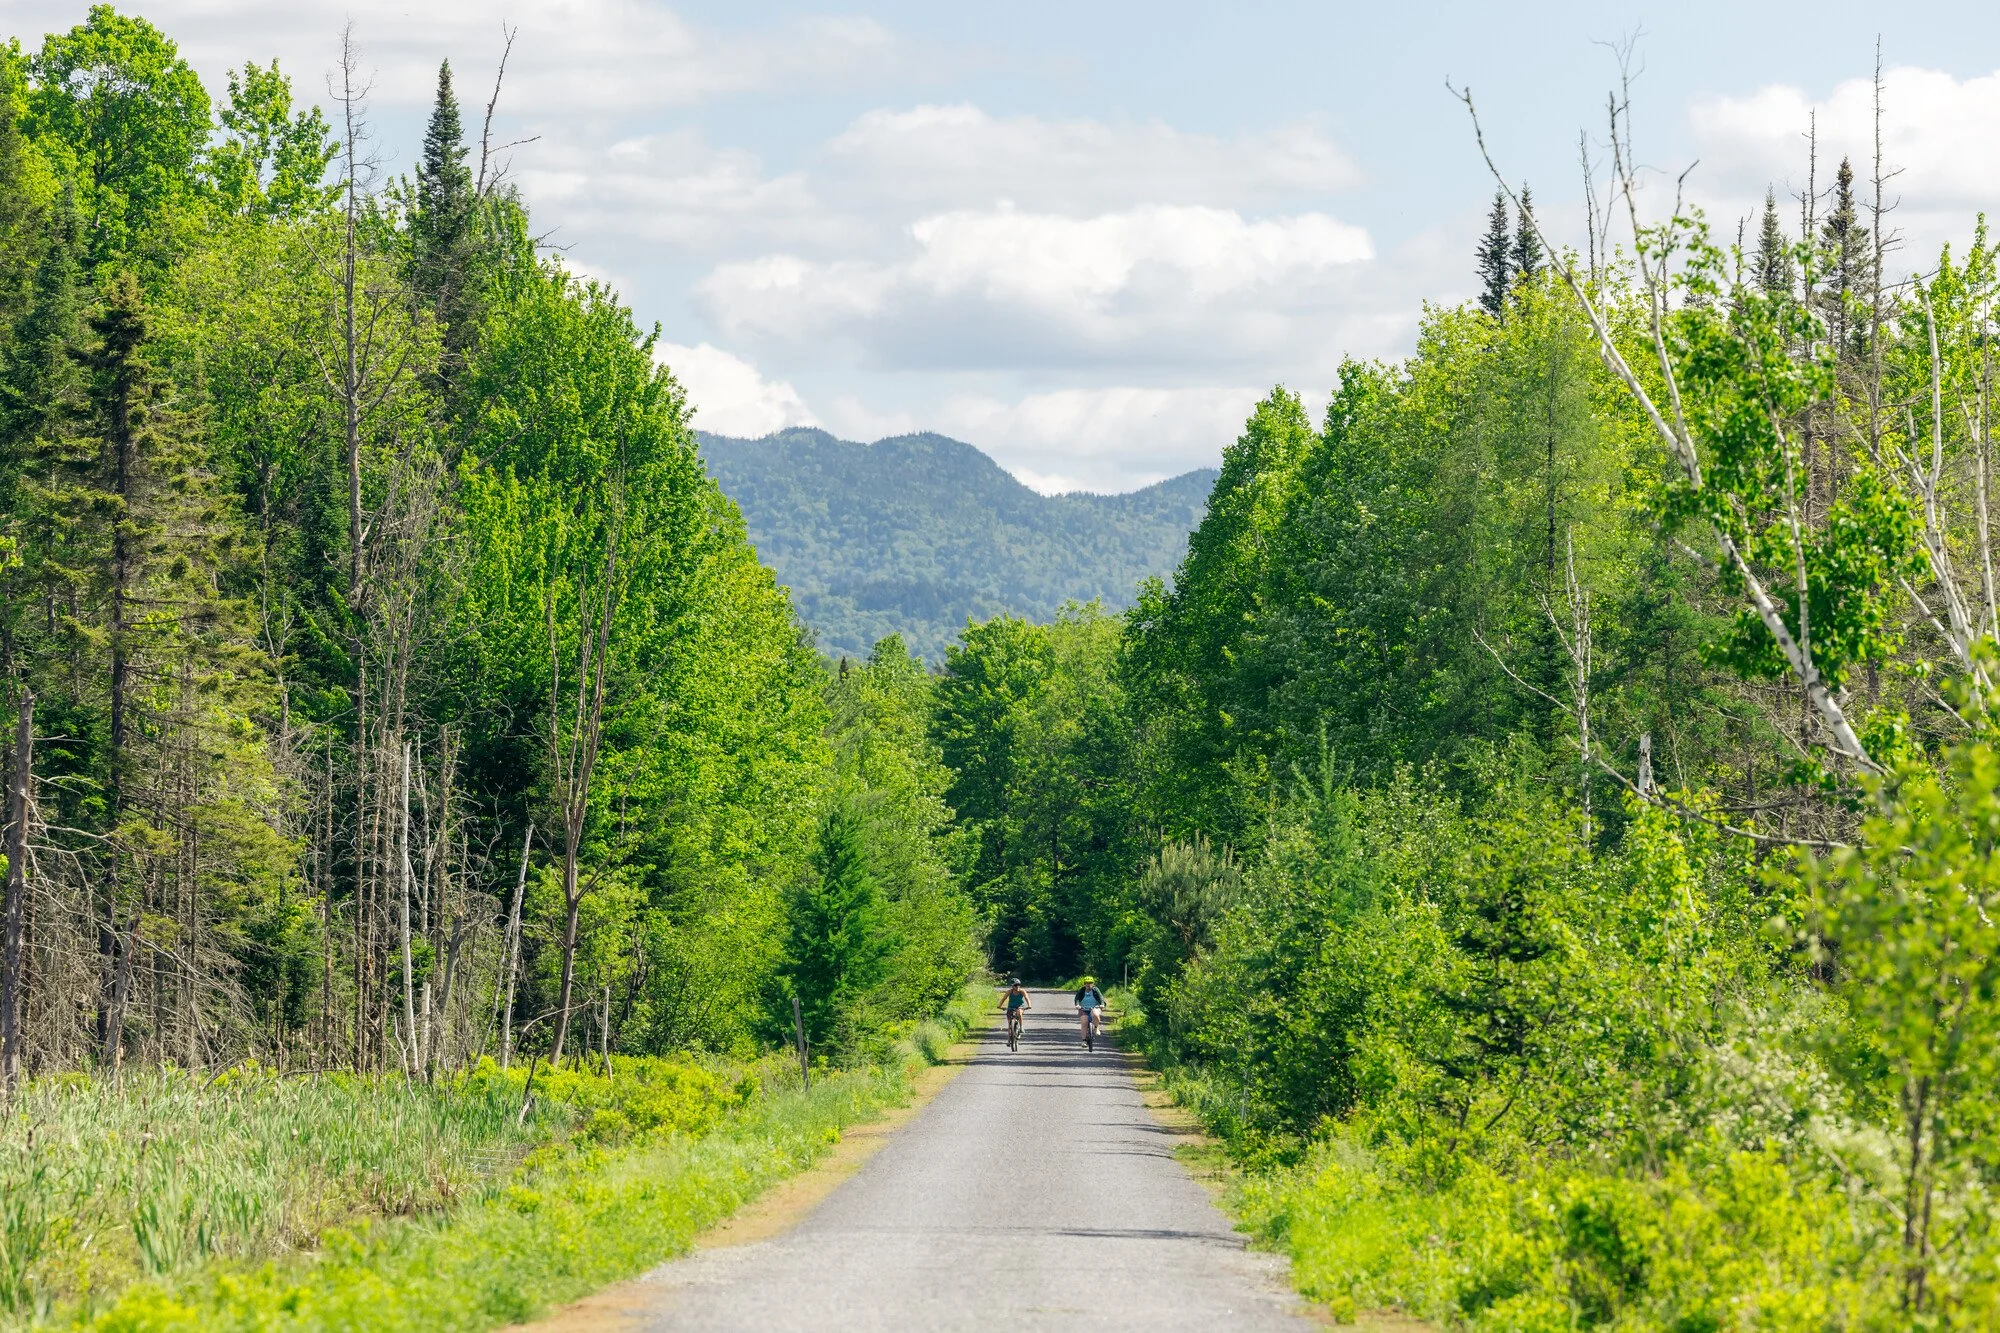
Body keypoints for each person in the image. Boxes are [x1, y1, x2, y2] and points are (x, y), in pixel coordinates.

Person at [1073, 976, 1106, 1046]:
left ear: (1093, 984)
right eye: (1086, 983)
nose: (1088, 984)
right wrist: (1077, 1005)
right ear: (1084, 984)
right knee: (1084, 1022)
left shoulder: (1095, 990)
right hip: (1083, 1008)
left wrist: (1102, 1004)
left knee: (1095, 1014)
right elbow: (1077, 998)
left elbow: (1101, 997)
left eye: (1090, 983)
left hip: (1095, 1007)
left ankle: (1096, 1028)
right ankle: (1084, 1041)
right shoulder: (1082, 990)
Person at [1001, 978, 1030, 1046]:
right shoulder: (1009, 992)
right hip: (1011, 1007)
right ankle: (1009, 1040)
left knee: (1019, 1012)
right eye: (1015, 985)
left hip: (1020, 1007)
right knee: (1009, 1024)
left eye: (1018, 985)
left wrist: (1029, 1005)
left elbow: (1027, 998)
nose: (1017, 987)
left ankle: (1021, 1027)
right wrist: (1000, 1006)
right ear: (1012, 986)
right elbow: (1003, 999)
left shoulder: (1022, 991)